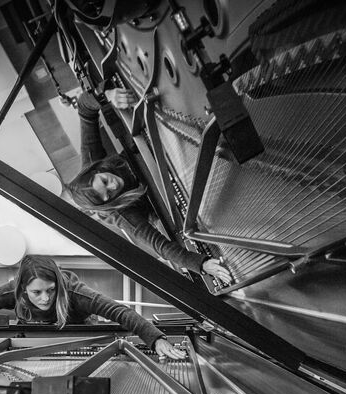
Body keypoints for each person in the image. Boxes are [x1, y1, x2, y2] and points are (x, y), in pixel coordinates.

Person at [62, 88, 232, 284]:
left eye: (105, 182)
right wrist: (201, 264)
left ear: (95, 171)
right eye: (109, 195)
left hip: (162, 149)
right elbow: (161, 247)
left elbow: (84, 108)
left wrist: (107, 96)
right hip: (179, 184)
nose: (114, 186)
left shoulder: (91, 161)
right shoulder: (121, 215)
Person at [0, 255, 186, 359]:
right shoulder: (12, 291)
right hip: (32, 351)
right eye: (36, 292)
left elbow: (120, 312)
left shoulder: (74, 293)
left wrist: (156, 339)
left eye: (50, 290)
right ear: (22, 290)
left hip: (81, 349)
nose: (44, 298)